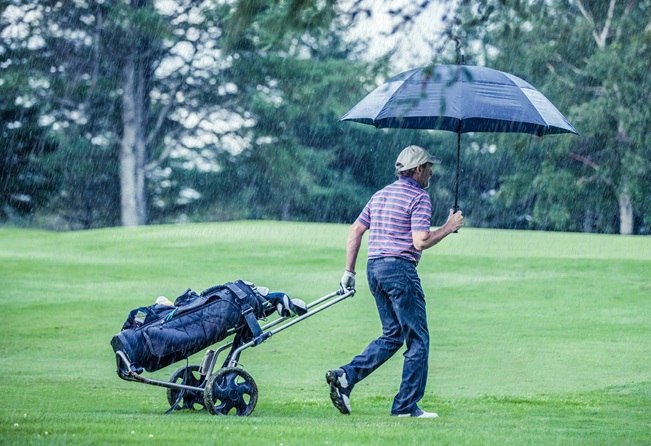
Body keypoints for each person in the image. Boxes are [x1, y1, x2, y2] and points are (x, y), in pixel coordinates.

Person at [326, 144, 464, 418]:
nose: (431, 173)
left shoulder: (380, 195)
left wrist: (348, 272)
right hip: (399, 270)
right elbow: (420, 241)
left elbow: (356, 230)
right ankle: (405, 407)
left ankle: (345, 376)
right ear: (417, 170)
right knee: (418, 339)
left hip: (373, 269)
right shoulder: (420, 197)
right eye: (428, 168)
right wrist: (449, 228)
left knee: (393, 335)